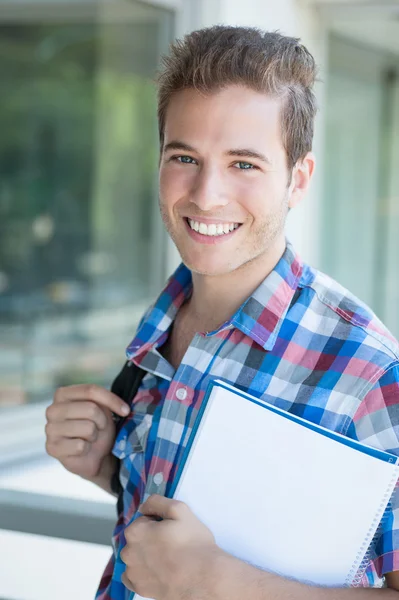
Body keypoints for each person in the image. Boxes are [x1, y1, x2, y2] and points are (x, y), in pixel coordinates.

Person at [45, 25, 399, 599]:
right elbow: (177, 514)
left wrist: (218, 583)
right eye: (185, 156)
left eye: (244, 164)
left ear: (298, 180)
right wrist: (103, 467)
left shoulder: (369, 373)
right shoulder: (161, 324)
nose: (206, 194)